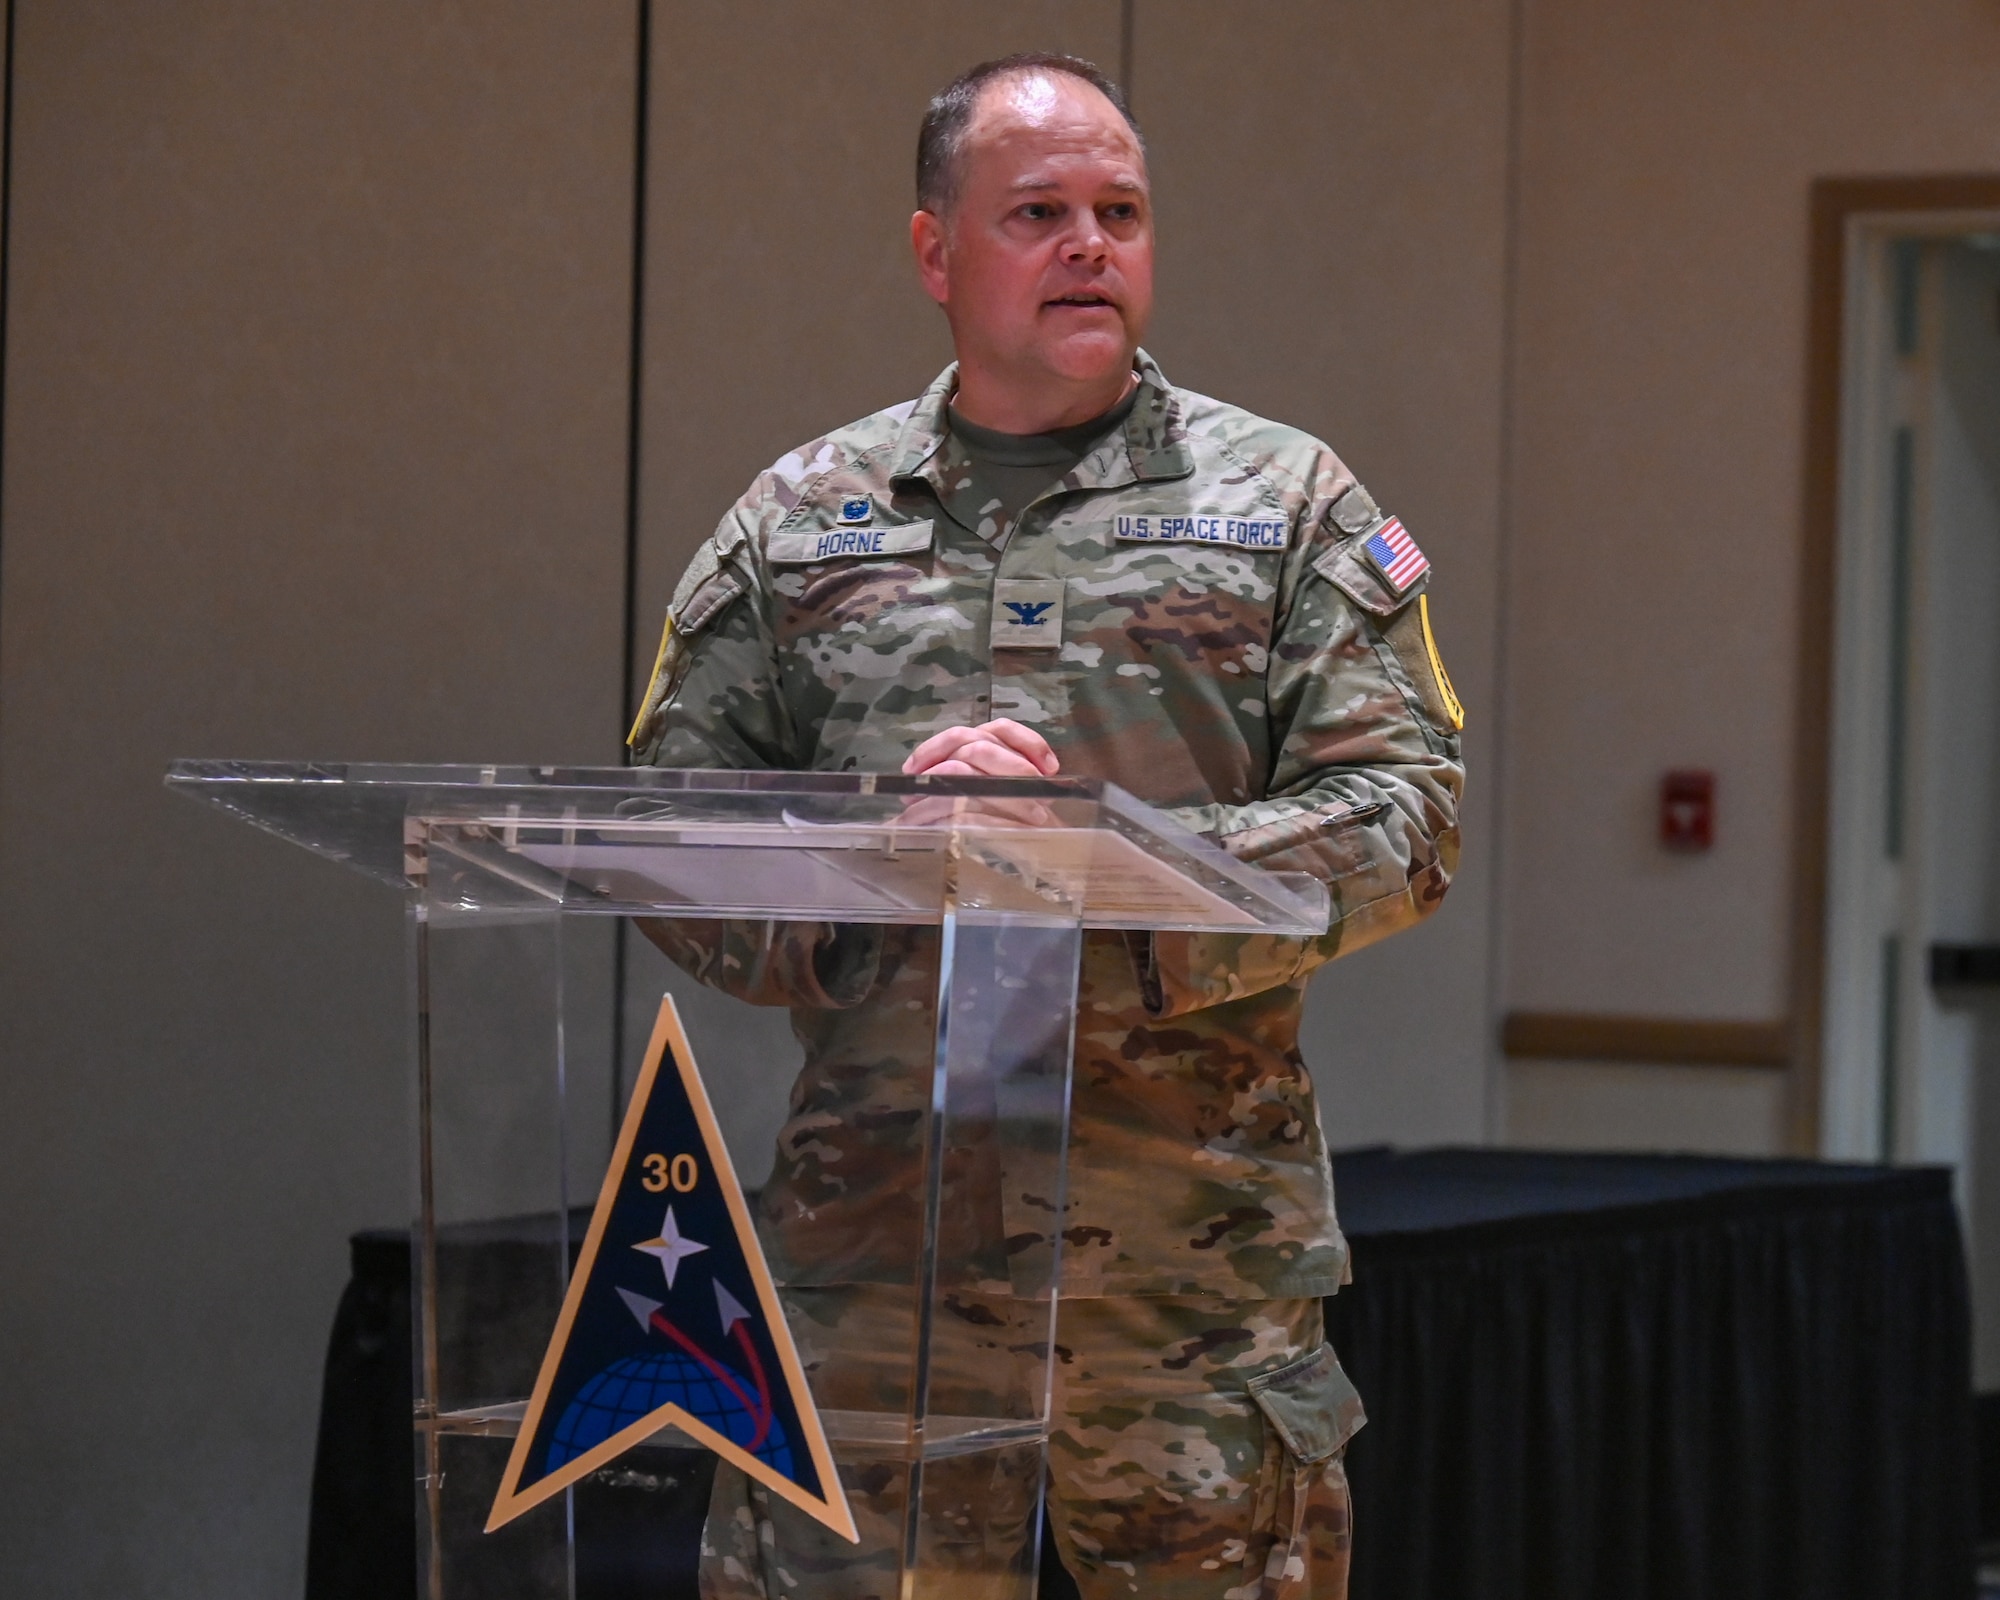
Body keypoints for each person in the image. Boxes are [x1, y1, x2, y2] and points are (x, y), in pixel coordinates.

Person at [627, 51, 1463, 1600]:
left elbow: (1407, 817)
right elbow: (671, 839)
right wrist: (886, 847)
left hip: (1189, 1274)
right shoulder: (801, 520)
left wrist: (1116, 874)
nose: (1091, 244)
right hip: (875, 1260)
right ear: (935, 251)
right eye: (1039, 213)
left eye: (1121, 212)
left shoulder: (1288, 504)